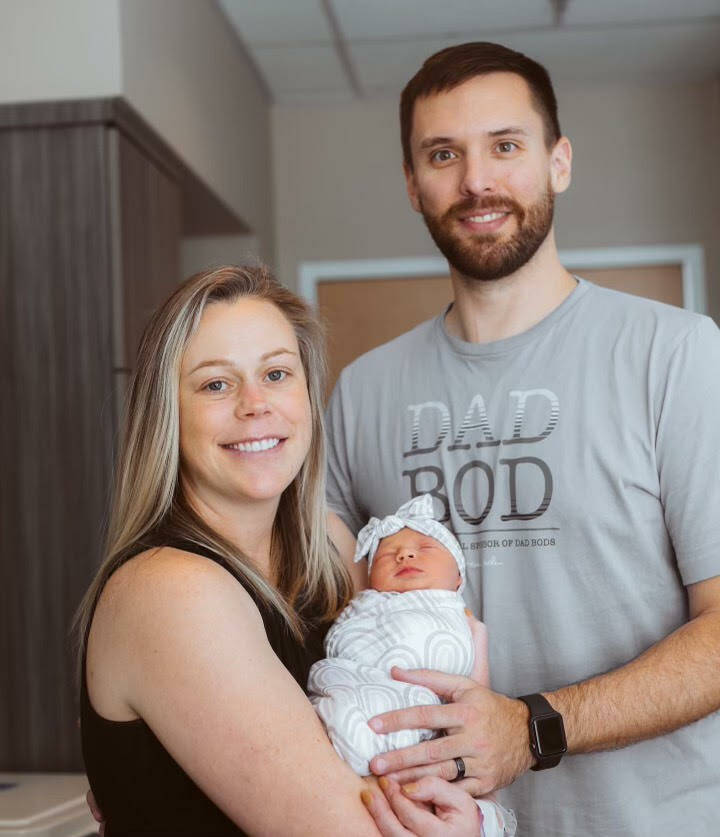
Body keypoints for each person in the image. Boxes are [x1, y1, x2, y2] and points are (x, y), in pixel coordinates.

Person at [325, 41, 720, 835]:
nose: (476, 180)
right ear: (412, 183)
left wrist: (533, 726)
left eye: (505, 146)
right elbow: (311, 613)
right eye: (444, 154)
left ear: (558, 161)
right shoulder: (360, 391)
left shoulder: (679, 354)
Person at [77, 265, 484, 836]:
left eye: (276, 373)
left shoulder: (332, 547)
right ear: (166, 414)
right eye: (215, 384)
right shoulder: (170, 591)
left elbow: (434, 726)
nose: (255, 405)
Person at [308, 494, 516, 837]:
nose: (404, 554)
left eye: (425, 547)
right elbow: (341, 650)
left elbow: (473, 699)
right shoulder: (362, 605)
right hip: (353, 697)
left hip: (427, 733)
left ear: (458, 579)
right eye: (388, 553)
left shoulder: (458, 618)